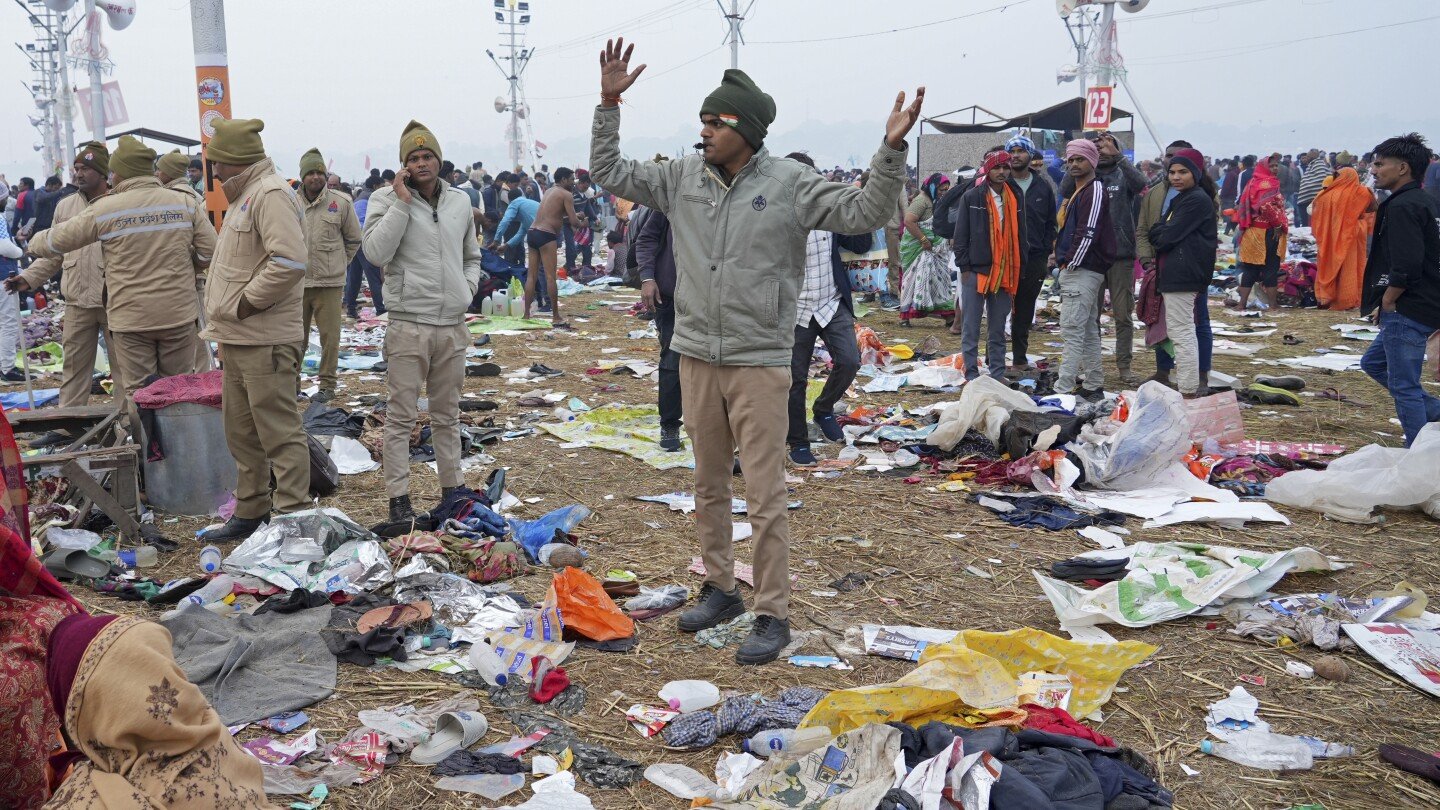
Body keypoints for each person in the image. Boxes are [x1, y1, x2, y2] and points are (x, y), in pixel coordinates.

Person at [590, 38, 920, 664]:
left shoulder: (791, 184)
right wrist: (609, 104)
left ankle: (771, 611)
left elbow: (866, 210)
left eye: (716, 121)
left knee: (765, 494)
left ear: (746, 128)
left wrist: (892, 148)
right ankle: (720, 587)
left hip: (762, 358)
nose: (705, 130)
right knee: (708, 483)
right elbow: (611, 172)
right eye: (703, 120)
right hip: (695, 353)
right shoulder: (682, 176)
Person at [22, 136, 215, 418]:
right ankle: (180, 455)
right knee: (177, 388)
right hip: (178, 315)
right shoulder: (184, 203)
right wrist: (188, 268)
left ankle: (145, 456)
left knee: (138, 393)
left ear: (121, 172)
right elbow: (211, 252)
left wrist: (30, 242)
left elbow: (57, 241)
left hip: (131, 319)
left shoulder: (107, 208)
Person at [363, 120, 486, 523]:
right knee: (401, 416)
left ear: (439, 160)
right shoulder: (385, 199)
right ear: (403, 165)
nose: (420, 163)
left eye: (426, 156)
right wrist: (402, 201)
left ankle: (452, 490)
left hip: (451, 324)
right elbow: (377, 252)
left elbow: (472, 254)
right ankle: (399, 500)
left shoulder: (460, 203)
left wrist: (466, 290)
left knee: (447, 415)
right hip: (408, 322)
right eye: (412, 158)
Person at [197, 118, 311, 544]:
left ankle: (293, 518)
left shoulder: (270, 194)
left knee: (278, 432)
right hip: (240, 337)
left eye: (215, 161)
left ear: (231, 159)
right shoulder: (248, 194)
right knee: (242, 433)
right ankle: (251, 510)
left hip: (264, 337)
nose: (213, 169)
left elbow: (290, 261)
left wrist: (245, 303)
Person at [11, 142, 117, 419]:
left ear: (103, 173)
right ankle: (68, 424)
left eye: (85, 169)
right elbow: (54, 253)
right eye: (76, 169)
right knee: (73, 368)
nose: (78, 174)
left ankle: (126, 424)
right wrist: (28, 278)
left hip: (114, 301)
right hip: (78, 301)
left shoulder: (118, 203)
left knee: (124, 369)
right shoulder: (66, 206)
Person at [783, 152, 872, 466]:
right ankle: (797, 440)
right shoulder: (778, 216)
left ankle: (823, 409)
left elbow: (860, 244)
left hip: (831, 301)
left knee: (849, 361)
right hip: (795, 307)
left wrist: (858, 202)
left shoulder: (830, 211)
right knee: (795, 378)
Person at [1359, 133, 1440, 448]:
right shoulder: (1425, 200)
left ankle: (1418, 454)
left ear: (1403, 168)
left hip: (1409, 306)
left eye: (1380, 164)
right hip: (1425, 301)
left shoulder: (1403, 205)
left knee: (1404, 385)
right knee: (1373, 364)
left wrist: (1389, 300)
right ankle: (1433, 411)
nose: (1375, 170)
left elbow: (1406, 264)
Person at [1058, 132, 1146, 384]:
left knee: (1123, 314)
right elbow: (1064, 189)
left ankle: (1124, 366)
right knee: (1088, 316)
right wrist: (1081, 157)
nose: (1102, 147)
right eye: (1096, 146)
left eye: (1106, 143)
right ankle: (1090, 368)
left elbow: (1140, 185)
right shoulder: (1085, 177)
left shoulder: (1122, 172)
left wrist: (1118, 156)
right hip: (1090, 259)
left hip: (1120, 254)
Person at [1136, 139, 1211, 389]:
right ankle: (1186, 386)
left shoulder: (1195, 200)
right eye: (1172, 172)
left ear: (1196, 174)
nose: (1176, 177)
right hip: (1174, 273)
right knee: (1180, 331)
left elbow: (1164, 236)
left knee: (1182, 333)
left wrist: (1162, 231)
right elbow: (1157, 230)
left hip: (1183, 274)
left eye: (1183, 172)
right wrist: (1162, 231)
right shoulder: (1181, 198)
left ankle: (1188, 390)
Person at [953, 149, 1026, 381]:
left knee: (997, 329)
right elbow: (961, 235)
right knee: (971, 328)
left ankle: (997, 374)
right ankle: (972, 375)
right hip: (976, 271)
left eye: (1005, 167)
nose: (1002, 172)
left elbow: (1021, 234)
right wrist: (964, 268)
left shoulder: (1015, 196)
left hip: (1005, 271)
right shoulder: (972, 197)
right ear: (987, 169)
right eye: (997, 167)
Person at [297, 148, 362, 402]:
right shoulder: (289, 202)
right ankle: (293, 385)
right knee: (294, 340)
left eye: (319, 172)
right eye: (310, 173)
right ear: (302, 177)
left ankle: (327, 386)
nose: (315, 177)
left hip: (330, 284)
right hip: (297, 284)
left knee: (330, 339)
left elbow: (354, 239)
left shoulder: (341, 203)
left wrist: (339, 263)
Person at [1053, 138, 1115, 401]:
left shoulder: (1095, 189)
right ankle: (1093, 383)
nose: (1075, 164)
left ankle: (1063, 387)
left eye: (1080, 159)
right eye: (1071, 160)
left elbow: (1088, 232)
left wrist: (1070, 262)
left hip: (1083, 268)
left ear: (1092, 161)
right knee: (1087, 329)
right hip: (1079, 267)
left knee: (1071, 329)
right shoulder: (1080, 190)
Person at [1006, 135, 1057, 370]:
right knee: (998, 309)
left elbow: (1050, 223)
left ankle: (1019, 357)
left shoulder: (1043, 186)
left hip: (1035, 258)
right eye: (1012, 151)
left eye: (1020, 151)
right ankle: (994, 358)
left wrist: (1046, 250)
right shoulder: (1002, 183)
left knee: (1025, 310)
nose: (1016, 155)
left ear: (1030, 155)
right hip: (1005, 257)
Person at [636, 204, 684, 451]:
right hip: (671, 295)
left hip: (713, 298)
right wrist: (647, 278)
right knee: (672, 361)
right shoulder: (672, 198)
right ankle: (670, 425)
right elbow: (647, 238)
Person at [523, 167, 586, 327]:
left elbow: (554, 216)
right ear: (564, 180)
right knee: (551, 276)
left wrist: (571, 217)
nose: (573, 183)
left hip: (532, 232)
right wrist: (582, 222)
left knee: (532, 275)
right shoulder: (567, 194)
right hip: (546, 235)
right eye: (571, 179)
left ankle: (526, 314)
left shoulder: (550, 190)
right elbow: (574, 223)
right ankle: (556, 315)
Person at [1312, 165, 1377, 311]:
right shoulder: (1361, 192)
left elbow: (1315, 210)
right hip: (1352, 233)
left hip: (1331, 235)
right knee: (1351, 265)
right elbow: (1373, 207)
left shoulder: (1326, 194)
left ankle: (1327, 298)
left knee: (1330, 263)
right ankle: (1347, 299)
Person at [1234, 150, 1289, 311]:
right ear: (1263, 167)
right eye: (1271, 166)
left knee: (1251, 267)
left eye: (1276, 165)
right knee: (1270, 267)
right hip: (1267, 232)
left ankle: (1241, 304)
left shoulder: (1254, 182)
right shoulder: (1266, 183)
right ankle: (1273, 305)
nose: (1275, 168)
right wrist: (1278, 225)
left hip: (1253, 231)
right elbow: (1265, 206)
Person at [343, 187, 386, 321]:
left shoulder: (359, 201)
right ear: (376, 186)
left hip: (354, 240)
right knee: (373, 276)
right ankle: (381, 310)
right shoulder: (369, 201)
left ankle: (350, 309)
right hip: (363, 241)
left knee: (354, 276)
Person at [1296, 148, 1329, 228]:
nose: (1306, 157)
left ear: (1312, 156)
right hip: (1307, 199)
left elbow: (1321, 180)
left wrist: (1307, 190)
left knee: (1309, 225)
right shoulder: (1312, 165)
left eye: (1308, 156)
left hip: (1312, 200)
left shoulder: (1318, 165)